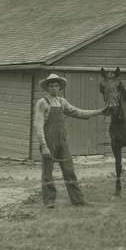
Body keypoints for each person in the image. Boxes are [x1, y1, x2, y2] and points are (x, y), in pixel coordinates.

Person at [33, 73, 105, 208]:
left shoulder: (62, 102)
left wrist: (99, 111)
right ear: (47, 88)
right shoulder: (42, 103)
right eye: (51, 86)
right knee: (47, 173)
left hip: (62, 141)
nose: (54, 88)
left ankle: (78, 200)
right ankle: (49, 201)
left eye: (56, 86)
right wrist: (44, 145)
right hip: (48, 141)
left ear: (60, 87)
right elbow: (38, 125)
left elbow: (78, 112)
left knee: (69, 170)